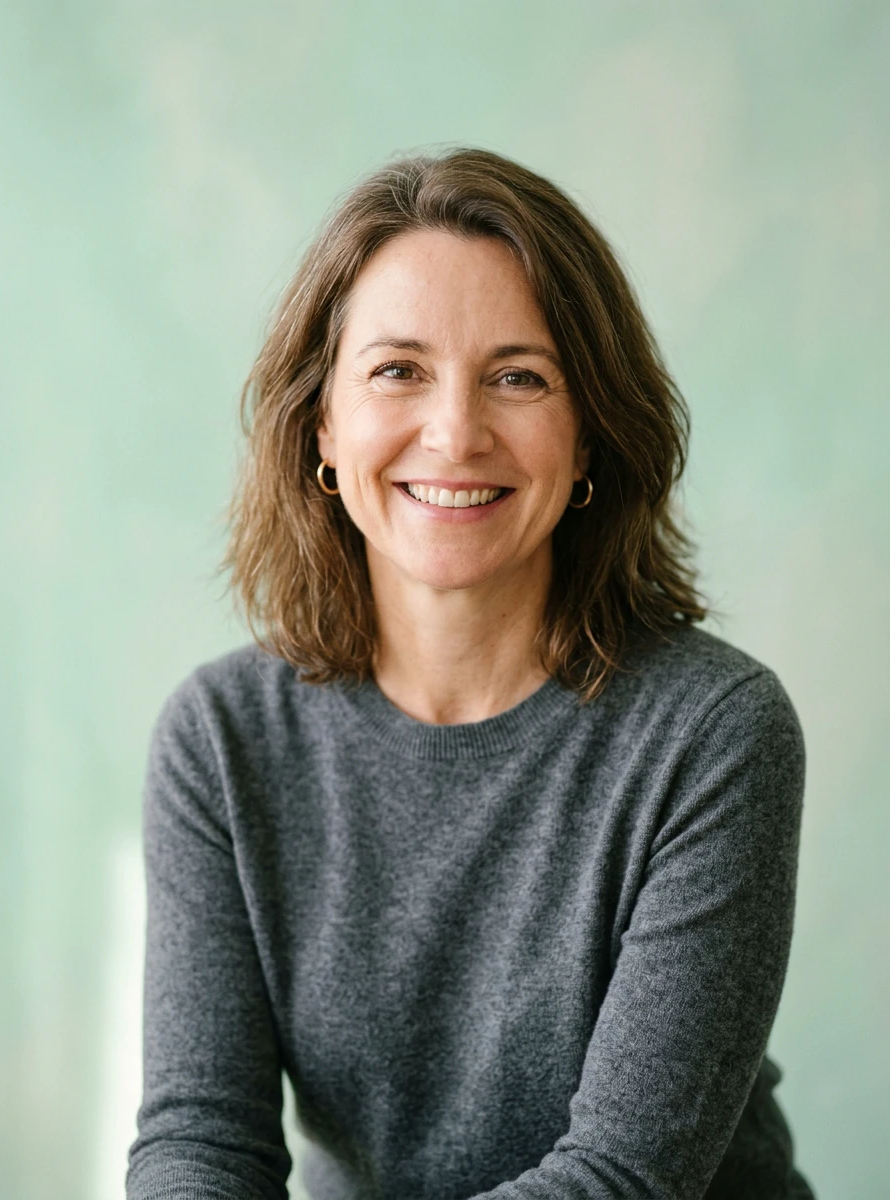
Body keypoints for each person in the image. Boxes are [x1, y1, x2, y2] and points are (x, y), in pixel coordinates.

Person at [125, 147, 817, 1200]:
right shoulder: (220, 740)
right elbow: (200, 1143)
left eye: (516, 376)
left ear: (586, 435)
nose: (454, 433)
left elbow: (618, 1180)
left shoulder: (712, 731)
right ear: (323, 423)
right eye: (397, 370)